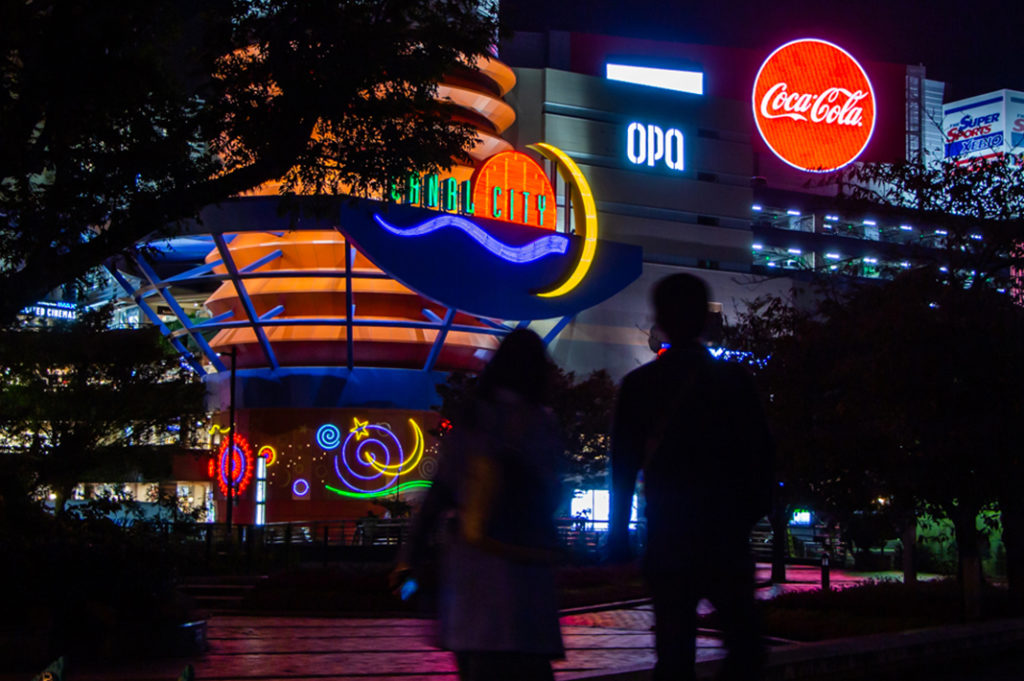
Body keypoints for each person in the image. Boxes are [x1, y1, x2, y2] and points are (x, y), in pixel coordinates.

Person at [608, 273, 773, 681]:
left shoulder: (639, 386)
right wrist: (746, 515)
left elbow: (623, 468)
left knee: (674, 650)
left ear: (659, 319)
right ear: (706, 318)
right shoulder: (734, 381)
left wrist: (619, 534)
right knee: (746, 643)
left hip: (669, 535)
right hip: (724, 535)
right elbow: (764, 457)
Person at [395, 329, 565, 681]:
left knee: (479, 667)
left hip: (474, 575)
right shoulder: (543, 424)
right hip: (527, 572)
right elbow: (553, 495)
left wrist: (409, 559)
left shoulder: (473, 420)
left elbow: (438, 494)